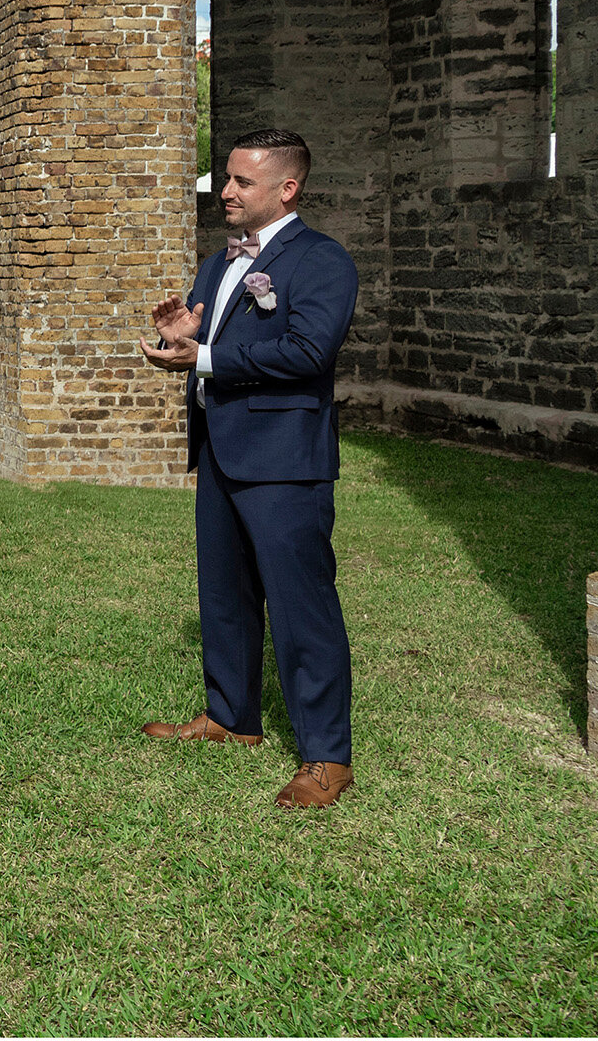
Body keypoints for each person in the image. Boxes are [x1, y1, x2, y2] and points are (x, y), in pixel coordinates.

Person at [138, 128, 360, 809]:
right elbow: (217, 339)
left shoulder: (323, 261)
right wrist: (184, 335)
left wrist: (201, 359)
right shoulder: (219, 261)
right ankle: (231, 716)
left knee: (302, 608)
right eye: (225, 178)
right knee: (225, 595)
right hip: (223, 450)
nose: (225, 192)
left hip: (285, 461)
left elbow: (306, 353)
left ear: (287, 188)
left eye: (241, 182)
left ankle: (327, 757)